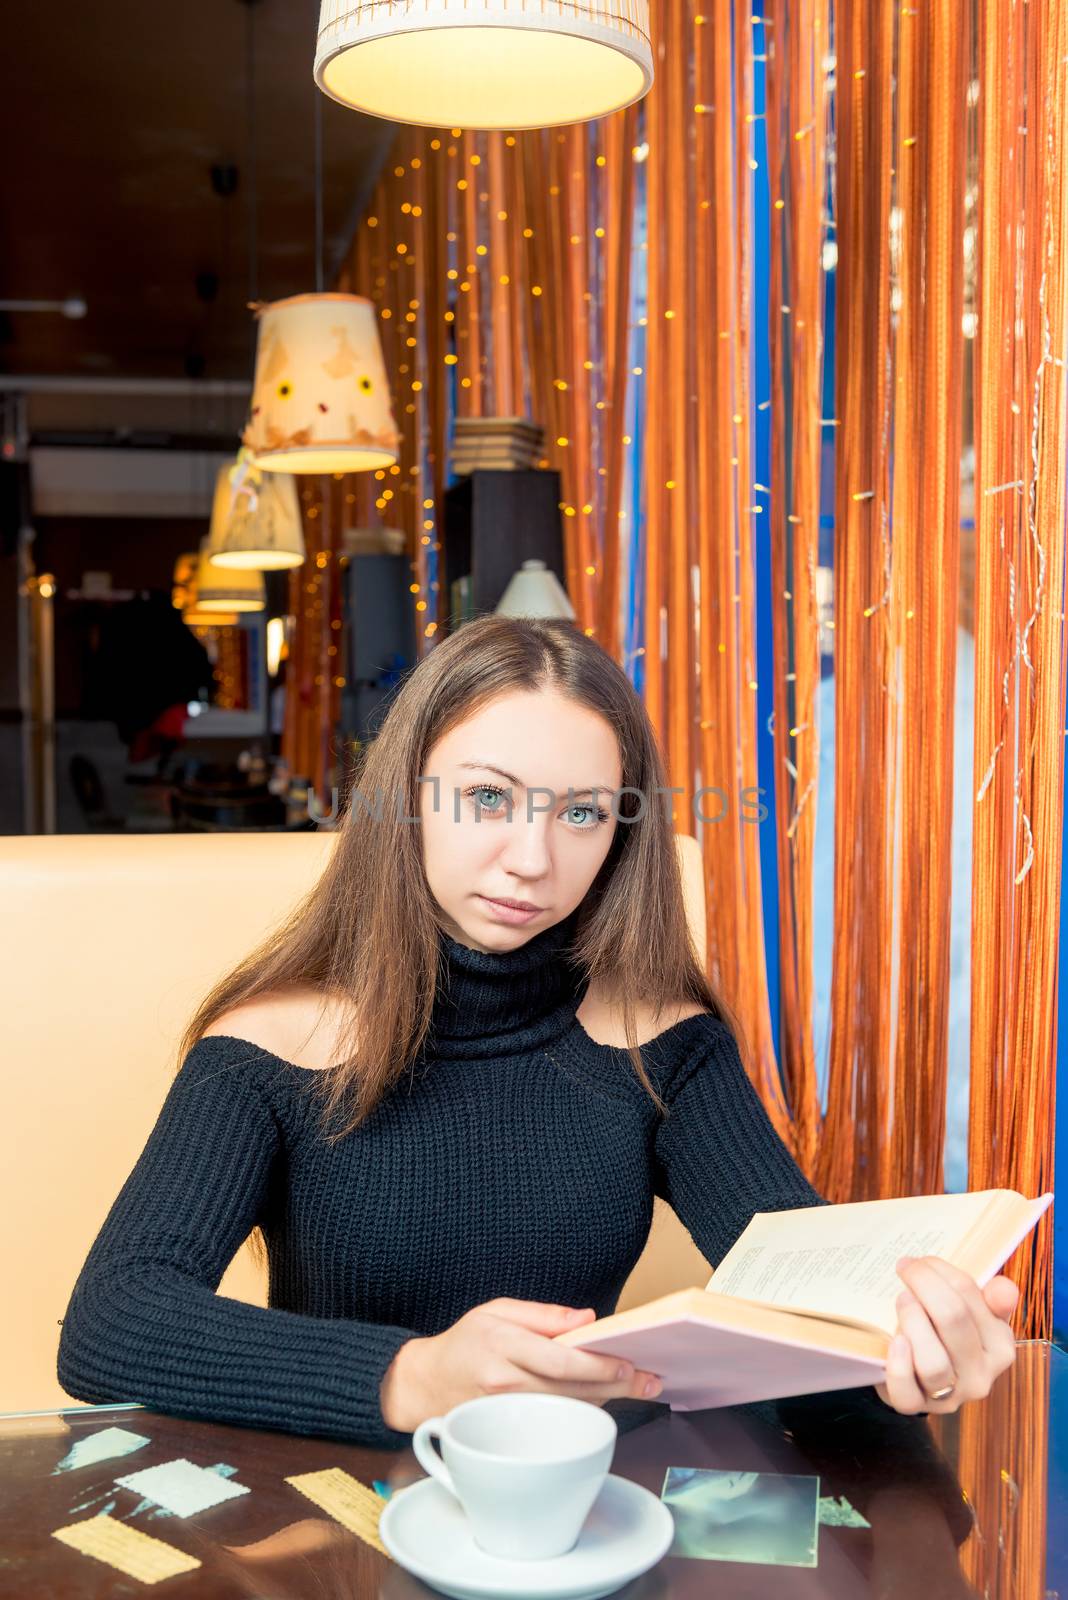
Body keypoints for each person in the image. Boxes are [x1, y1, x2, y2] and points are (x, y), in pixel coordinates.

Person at [57, 615, 1019, 1448]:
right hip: (334, 1520)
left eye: (582, 815)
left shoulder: (662, 1044)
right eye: (487, 798)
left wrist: (908, 1368)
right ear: (408, 798)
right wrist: (416, 1377)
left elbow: (805, 1324)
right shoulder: (271, 1046)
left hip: (576, 1508)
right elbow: (111, 1324)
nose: (532, 859)